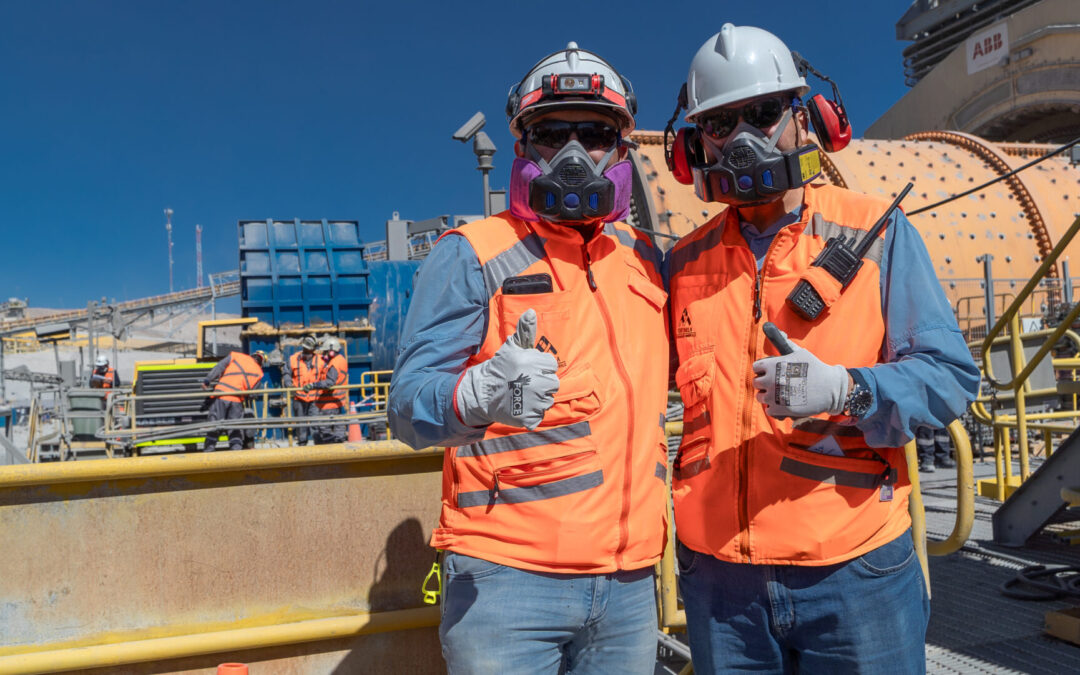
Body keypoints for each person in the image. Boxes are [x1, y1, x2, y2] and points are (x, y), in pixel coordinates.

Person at [663, 25, 980, 673]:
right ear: (693, 148)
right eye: (722, 123)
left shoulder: (876, 232)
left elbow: (949, 377)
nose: (744, 136)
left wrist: (849, 389)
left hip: (855, 571)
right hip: (721, 583)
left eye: (762, 113)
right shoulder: (681, 265)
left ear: (806, 118)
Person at [387, 42, 669, 675]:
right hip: (507, 585)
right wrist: (472, 396)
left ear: (621, 148)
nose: (573, 154)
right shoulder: (472, 253)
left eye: (594, 133)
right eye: (550, 134)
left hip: (628, 585)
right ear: (523, 149)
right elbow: (406, 405)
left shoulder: (647, 262)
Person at [201, 349, 266, 452]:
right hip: (236, 400)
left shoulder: (236, 356)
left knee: (214, 426)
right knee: (235, 429)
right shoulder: (259, 372)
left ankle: (208, 454)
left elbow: (220, 367)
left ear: (251, 356)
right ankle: (236, 455)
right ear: (261, 362)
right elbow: (253, 394)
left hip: (221, 395)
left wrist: (208, 380)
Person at [309, 337, 348, 444]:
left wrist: (313, 385)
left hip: (328, 403)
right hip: (337, 401)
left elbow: (329, 383)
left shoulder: (334, 364)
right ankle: (340, 452)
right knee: (339, 428)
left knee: (325, 430)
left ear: (331, 351)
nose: (324, 354)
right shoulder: (341, 360)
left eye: (326, 352)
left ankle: (330, 453)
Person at [284, 335, 319, 445]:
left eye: (309, 350)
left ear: (313, 349)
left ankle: (318, 444)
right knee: (301, 423)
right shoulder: (293, 359)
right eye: (305, 349)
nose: (306, 351)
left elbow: (325, 374)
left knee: (316, 422)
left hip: (315, 398)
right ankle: (302, 443)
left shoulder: (320, 359)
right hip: (299, 397)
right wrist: (289, 384)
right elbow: (286, 373)